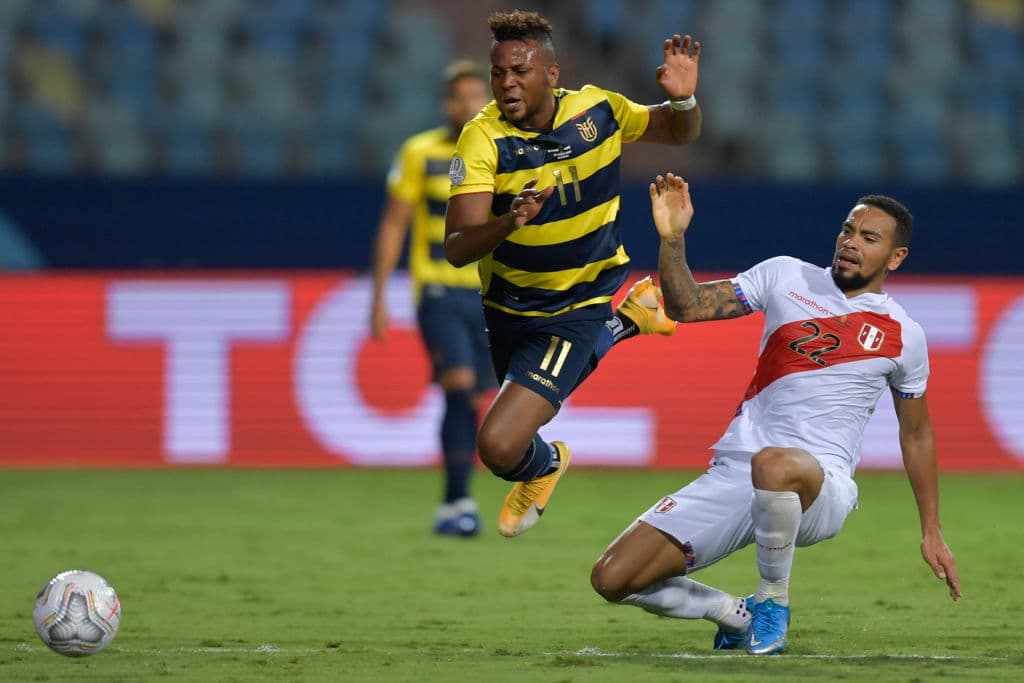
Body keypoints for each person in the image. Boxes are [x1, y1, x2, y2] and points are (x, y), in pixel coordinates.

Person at [590, 173, 962, 655]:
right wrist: (673, 239)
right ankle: (735, 614)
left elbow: (917, 435)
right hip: (736, 474)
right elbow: (687, 306)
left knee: (776, 463)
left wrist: (930, 530)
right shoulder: (785, 275)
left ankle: (773, 602)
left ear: (896, 257)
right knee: (613, 578)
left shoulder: (903, 334)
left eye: (869, 238)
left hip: (819, 487)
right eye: (847, 230)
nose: (851, 243)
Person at [444, 10, 701, 537]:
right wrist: (508, 221)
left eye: (520, 70)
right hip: (508, 307)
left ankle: (546, 465)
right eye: (499, 73)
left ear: (552, 74)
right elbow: (455, 246)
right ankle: (630, 320)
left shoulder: (599, 111)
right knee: (506, 437)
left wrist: (683, 100)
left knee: (497, 445)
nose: (507, 83)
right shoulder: (483, 138)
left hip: (577, 302)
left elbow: (679, 133)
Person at [369, 60, 494, 537]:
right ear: (446, 104)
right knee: (458, 385)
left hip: (487, 295)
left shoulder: (502, 150)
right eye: (458, 96)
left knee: (474, 400)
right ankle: (460, 501)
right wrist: (378, 296)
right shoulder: (419, 153)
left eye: (473, 95)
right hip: (438, 291)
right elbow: (394, 223)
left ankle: (453, 501)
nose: (466, 104)